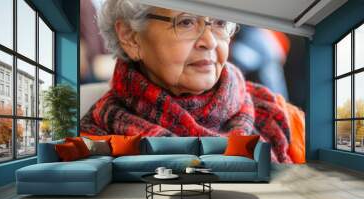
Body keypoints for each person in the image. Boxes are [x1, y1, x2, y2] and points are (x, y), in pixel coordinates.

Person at [81, 0, 305, 163]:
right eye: (186, 22)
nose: (209, 41)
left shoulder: (284, 117)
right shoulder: (93, 142)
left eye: (219, 22)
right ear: (130, 37)